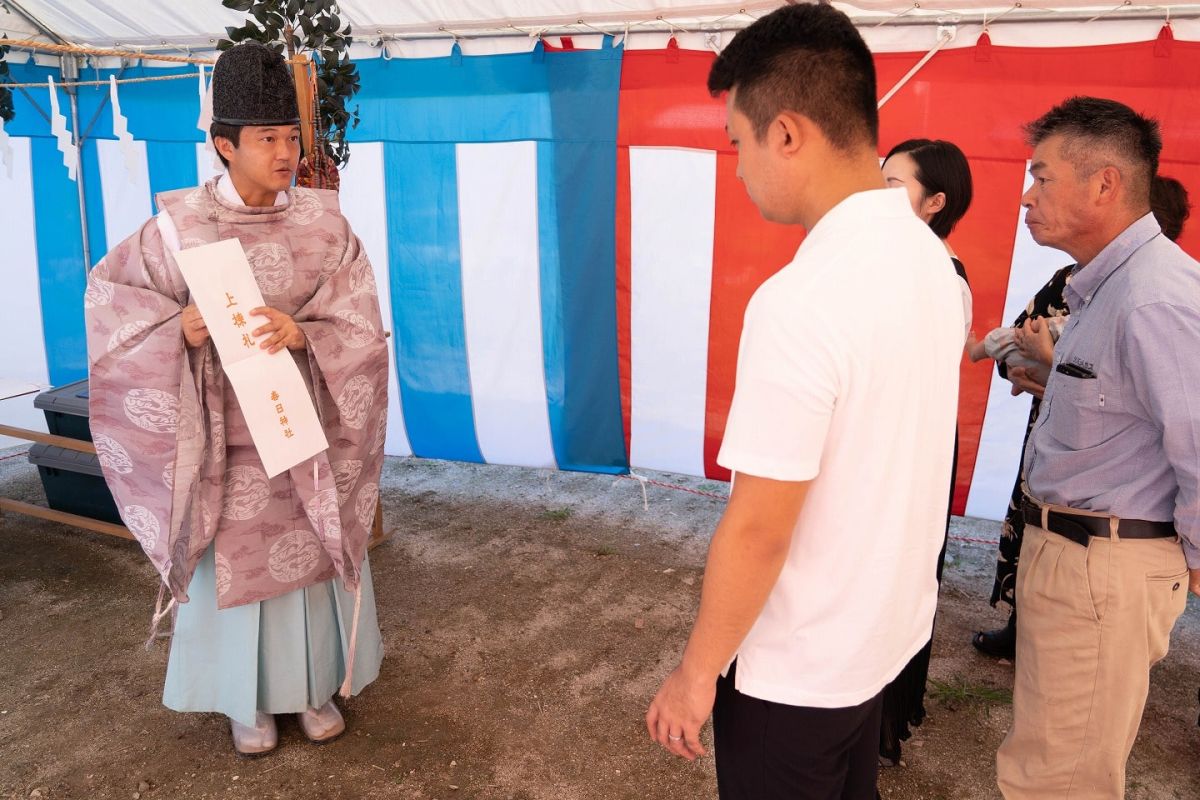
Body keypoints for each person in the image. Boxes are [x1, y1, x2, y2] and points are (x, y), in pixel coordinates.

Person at [644, 6, 964, 799]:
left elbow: (758, 528)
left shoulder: (802, 299)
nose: (740, 165)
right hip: (880, 637)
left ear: (786, 133)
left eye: (739, 142)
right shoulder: (933, 261)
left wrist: (695, 673)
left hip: (800, 668)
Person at [84, 41, 389, 756]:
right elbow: (111, 307)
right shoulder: (174, 228)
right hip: (222, 436)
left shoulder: (326, 225)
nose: (285, 153)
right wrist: (177, 330)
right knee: (237, 561)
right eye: (266, 139)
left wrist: (304, 332)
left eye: (290, 136)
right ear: (225, 144)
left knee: (313, 549)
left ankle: (313, 688)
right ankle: (243, 701)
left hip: (302, 425)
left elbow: (361, 324)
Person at [995, 97, 1200, 799]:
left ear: (1104, 184)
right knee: (1051, 760)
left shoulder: (1154, 296)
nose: (1027, 195)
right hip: (1081, 557)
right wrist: (1057, 381)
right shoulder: (1107, 290)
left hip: (1104, 566)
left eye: (1042, 177)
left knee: (1058, 780)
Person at [972, 172, 1192, 662]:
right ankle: (1020, 620)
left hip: (1113, 494)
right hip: (1050, 436)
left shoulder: (1161, 294)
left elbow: (1157, 410)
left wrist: (1052, 366)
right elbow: (1016, 340)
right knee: (1029, 525)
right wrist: (1027, 364)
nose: (1032, 196)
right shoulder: (1073, 279)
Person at [877, 138, 974, 766]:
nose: (875, 196)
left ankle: (882, 722)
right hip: (883, 443)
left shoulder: (944, 275)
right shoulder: (881, 262)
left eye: (893, 186)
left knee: (899, 581)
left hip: (911, 448)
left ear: (935, 203)